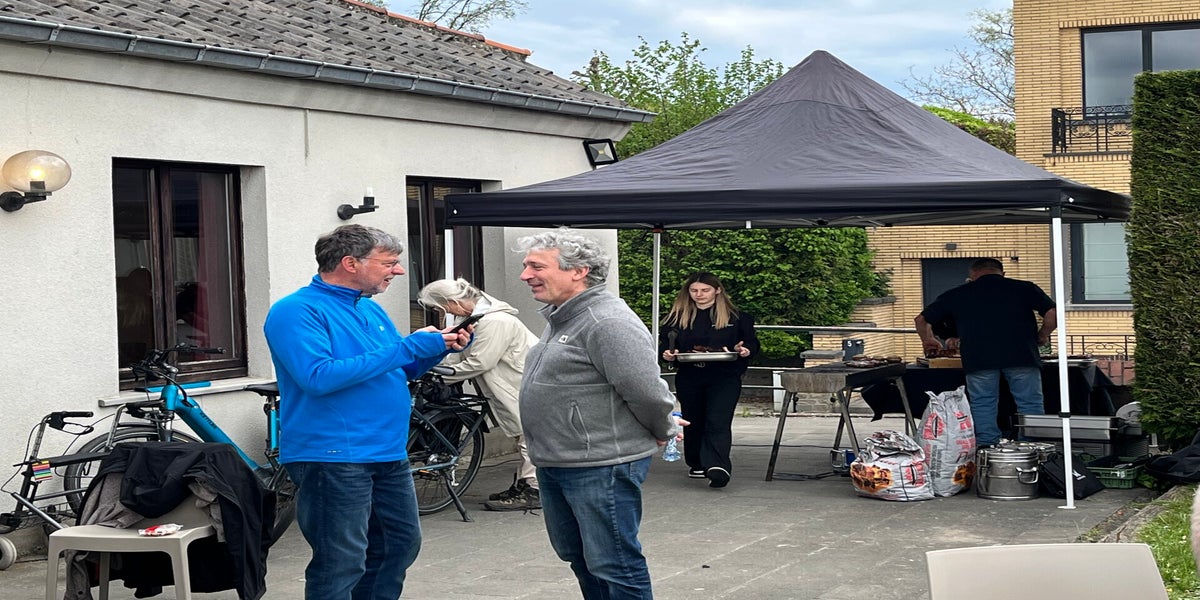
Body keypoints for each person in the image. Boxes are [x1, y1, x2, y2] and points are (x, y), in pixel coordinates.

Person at [263, 224, 471, 600]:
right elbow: (318, 376)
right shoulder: (295, 311)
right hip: (332, 455)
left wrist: (437, 348)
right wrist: (408, 347)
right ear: (350, 263)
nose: (399, 271)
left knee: (398, 545)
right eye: (389, 263)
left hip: (387, 451)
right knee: (341, 561)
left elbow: (397, 368)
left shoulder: (369, 309)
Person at [515, 228, 682, 600]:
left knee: (614, 564)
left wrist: (663, 428)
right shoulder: (564, 317)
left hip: (600, 465)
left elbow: (645, 391)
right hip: (559, 461)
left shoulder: (606, 321)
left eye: (536, 266)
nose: (525, 275)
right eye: (526, 266)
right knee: (580, 557)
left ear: (579, 271)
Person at [417, 277, 542, 511]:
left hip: (521, 385)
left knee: (528, 437)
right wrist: (433, 366)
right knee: (524, 436)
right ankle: (525, 484)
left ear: (453, 302)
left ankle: (533, 490)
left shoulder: (496, 321)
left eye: (442, 307)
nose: (445, 313)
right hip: (509, 385)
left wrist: (441, 376)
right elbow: (456, 355)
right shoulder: (473, 319)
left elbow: (481, 362)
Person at [915, 257, 1057, 447]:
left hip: (979, 358)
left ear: (972, 275)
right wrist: (1043, 335)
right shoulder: (1025, 288)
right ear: (1002, 273)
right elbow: (1052, 313)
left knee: (983, 403)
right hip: (1022, 355)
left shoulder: (958, 293)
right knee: (1030, 403)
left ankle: (987, 447)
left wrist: (929, 340)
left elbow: (921, 320)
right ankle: (1032, 447)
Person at [659, 272, 760, 488]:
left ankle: (717, 466)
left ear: (717, 290)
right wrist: (668, 354)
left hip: (724, 375)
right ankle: (696, 462)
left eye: (705, 290)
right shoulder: (675, 318)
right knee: (693, 419)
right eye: (694, 290)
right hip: (690, 374)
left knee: (718, 419)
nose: (699, 295)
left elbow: (752, 343)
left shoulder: (737, 318)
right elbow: (665, 346)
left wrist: (744, 349)